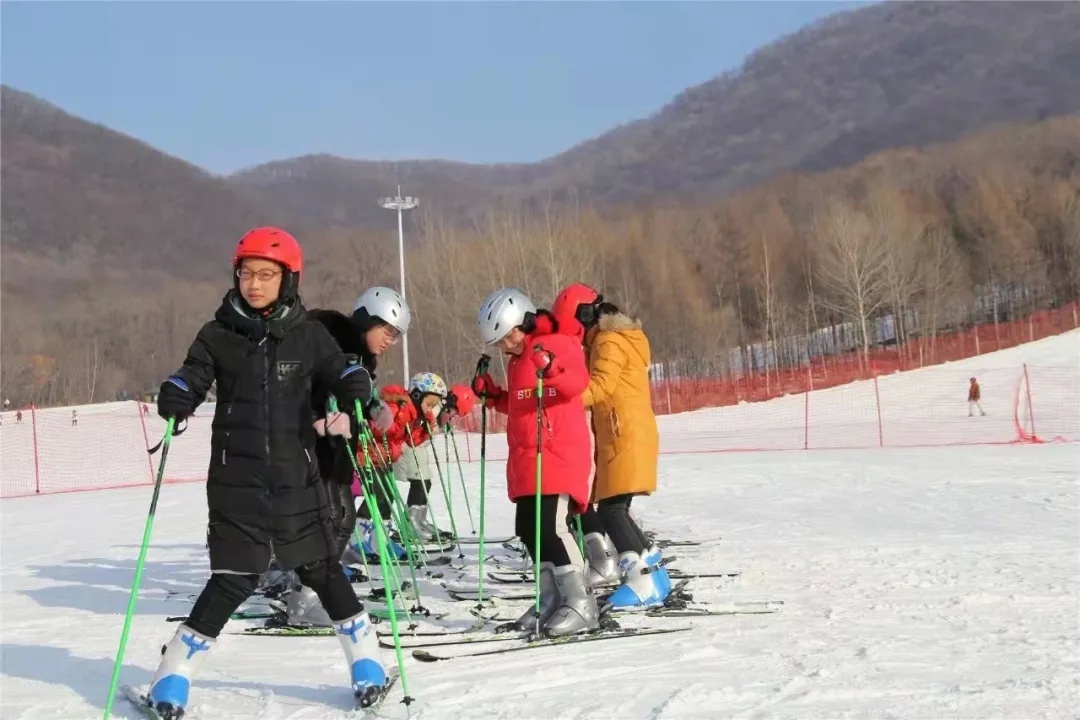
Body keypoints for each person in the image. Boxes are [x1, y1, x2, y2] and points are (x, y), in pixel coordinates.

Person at [148, 227, 390, 715]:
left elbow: (339, 367)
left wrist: (354, 380)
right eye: (246, 273)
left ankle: (368, 661)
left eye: (266, 274)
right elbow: (191, 374)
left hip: (297, 476)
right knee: (233, 578)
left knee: (321, 568)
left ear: (288, 279)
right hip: (237, 479)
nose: (254, 283)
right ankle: (173, 673)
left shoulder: (308, 333)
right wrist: (176, 391)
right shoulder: (218, 333)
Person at [470, 287, 599, 636]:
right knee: (529, 530)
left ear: (522, 323)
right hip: (528, 458)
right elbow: (522, 404)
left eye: (508, 336)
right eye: (500, 342)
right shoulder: (518, 361)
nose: (506, 346)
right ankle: (549, 599)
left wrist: (552, 367)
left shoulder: (559, 343)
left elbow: (576, 382)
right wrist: (494, 396)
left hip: (558, 453)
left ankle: (582, 603)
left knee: (553, 529)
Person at [552, 283, 669, 610]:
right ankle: (655, 575)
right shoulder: (616, 339)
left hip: (624, 433)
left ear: (584, 318)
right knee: (617, 508)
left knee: (611, 511)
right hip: (627, 431)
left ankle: (640, 581)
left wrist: (562, 397)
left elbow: (600, 387)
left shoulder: (608, 342)